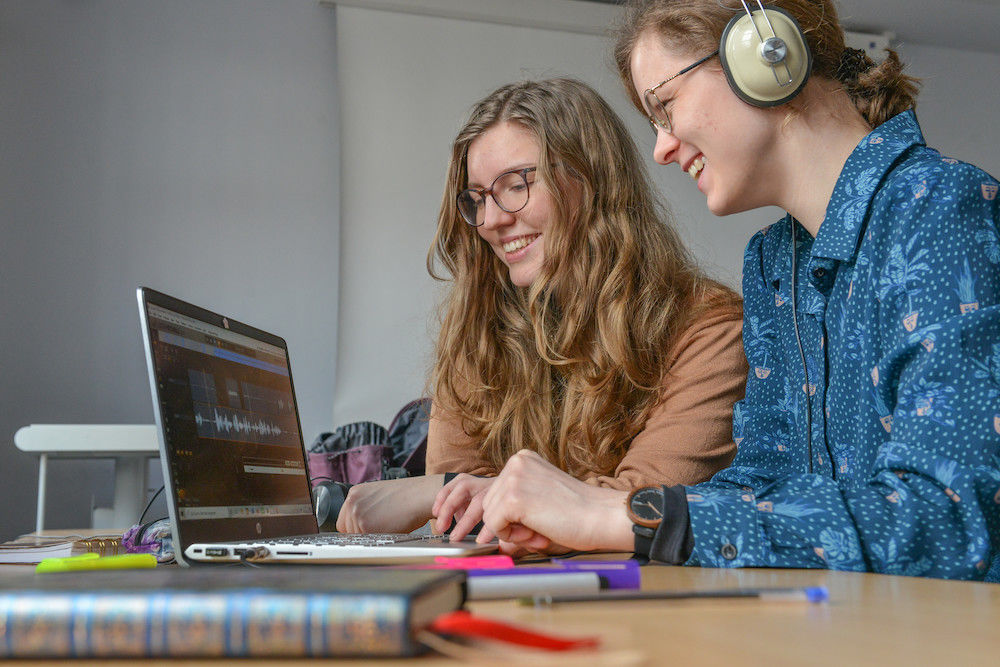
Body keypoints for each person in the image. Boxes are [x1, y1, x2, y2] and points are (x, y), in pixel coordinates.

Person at [477, 0, 1000, 581]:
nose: (662, 148)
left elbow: (952, 518)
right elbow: (761, 478)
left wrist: (643, 516)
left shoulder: (940, 208)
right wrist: (589, 524)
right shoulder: (774, 261)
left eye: (665, 107)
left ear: (765, 55)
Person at [337, 78, 747, 538]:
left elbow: (642, 508)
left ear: (590, 180)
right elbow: (460, 522)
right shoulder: (477, 332)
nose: (491, 220)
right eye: (477, 199)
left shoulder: (710, 330)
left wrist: (448, 491)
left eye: (515, 185)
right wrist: (453, 493)